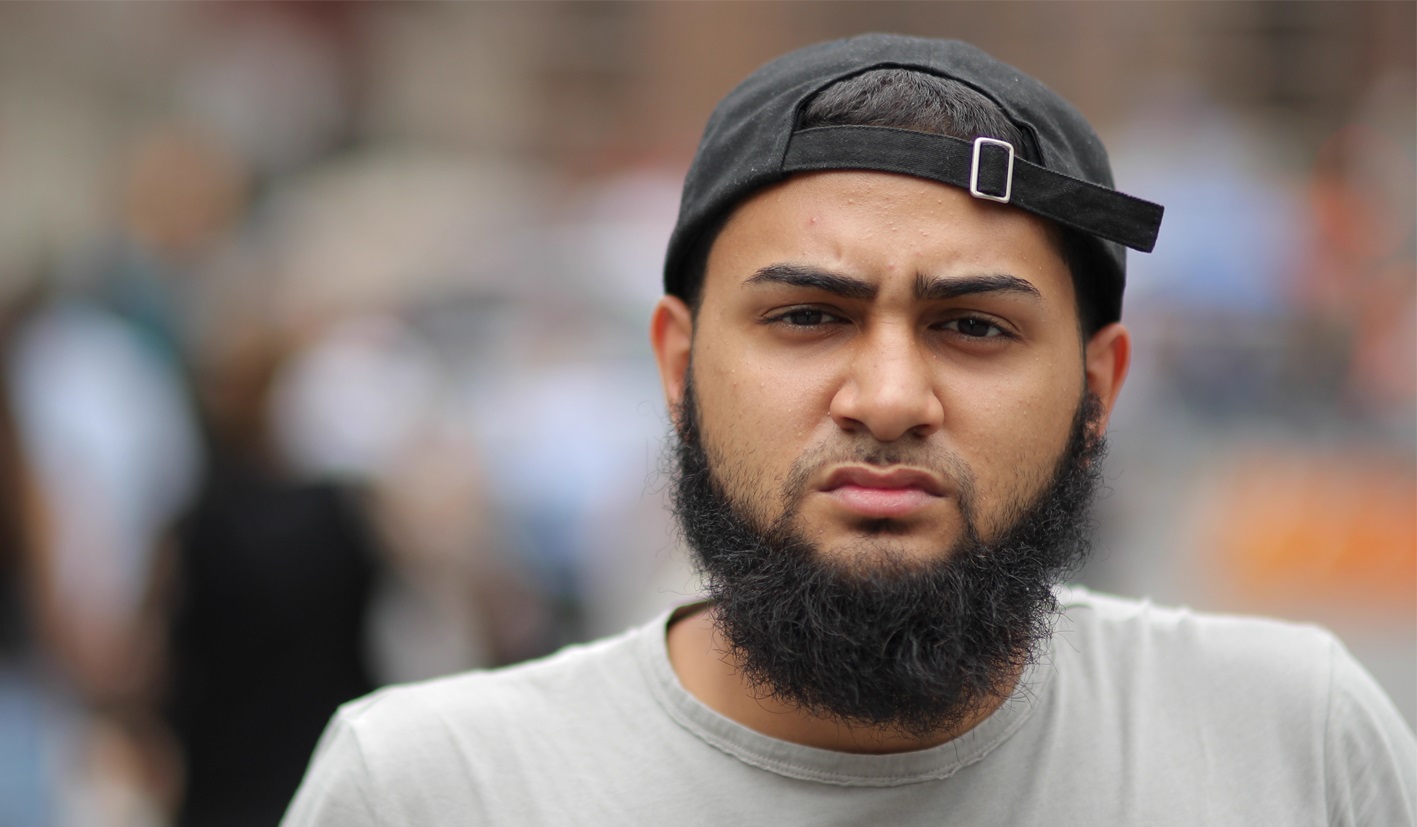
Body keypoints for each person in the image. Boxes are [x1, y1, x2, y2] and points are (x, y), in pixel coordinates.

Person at [283, 34, 1417, 825]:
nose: (885, 395)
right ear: (678, 365)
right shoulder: (433, 788)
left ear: (1096, 391)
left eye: (972, 324)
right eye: (807, 317)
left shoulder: (1290, 745)